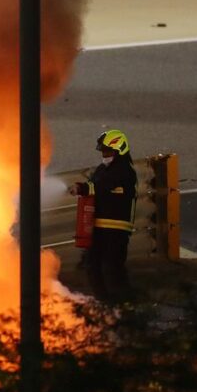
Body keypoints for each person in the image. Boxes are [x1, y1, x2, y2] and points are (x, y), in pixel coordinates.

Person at [68, 129, 138, 302]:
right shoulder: (102, 169)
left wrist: (83, 188)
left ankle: (124, 305)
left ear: (120, 150)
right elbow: (95, 183)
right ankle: (104, 302)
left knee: (111, 268)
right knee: (92, 266)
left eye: (108, 151)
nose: (105, 155)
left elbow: (102, 186)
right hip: (98, 227)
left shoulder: (125, 171)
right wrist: (83, 188)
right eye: (103, 151)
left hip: (116, 230)